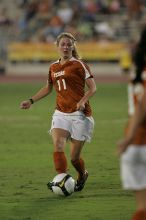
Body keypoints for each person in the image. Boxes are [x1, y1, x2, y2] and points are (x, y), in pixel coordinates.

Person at [20, 32, 96, 192]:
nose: (66, 47)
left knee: (75, 158)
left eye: (69, 44)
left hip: (80, 115)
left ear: (73, 46)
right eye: (63, 44)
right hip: (61, 113)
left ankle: (82, 175)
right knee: (58, 145)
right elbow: (48, 88)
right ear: (57, 46)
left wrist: (82, 101)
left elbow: (93, 88)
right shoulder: (53, 67)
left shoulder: (79, 64)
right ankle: (62, 180)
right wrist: (31, 100)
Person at [117, 27, 146, 220]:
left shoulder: (138, 69)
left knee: (142, 207)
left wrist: (128, 138)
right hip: (139, 138)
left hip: (134, 142)